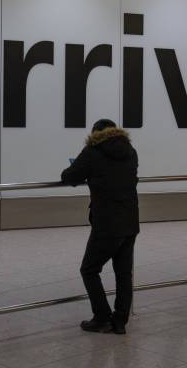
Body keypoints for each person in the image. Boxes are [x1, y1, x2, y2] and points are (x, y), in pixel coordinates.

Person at [61, 119, 139, 334]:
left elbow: (68, 176)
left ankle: (102, 317)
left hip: (107, 224)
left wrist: (84, 166)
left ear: (96, 134)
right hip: (130, 223)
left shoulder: (93, 151)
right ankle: (120, 320)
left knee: (89, 269)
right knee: (124, 273)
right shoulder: (131, 152)